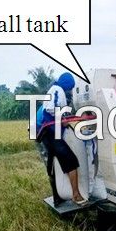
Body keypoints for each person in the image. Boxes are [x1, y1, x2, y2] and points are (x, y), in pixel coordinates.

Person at [36, 72, 87, 206]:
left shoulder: (53, 89)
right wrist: (62, 119)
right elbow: (51, 108)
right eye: (70, 87)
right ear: (68, 84)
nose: (70, 90)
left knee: (52, 164)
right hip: (50, 132)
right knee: (71, 161)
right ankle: (76, 195)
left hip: (44, 133)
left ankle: (57, 198)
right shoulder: (58, 90)